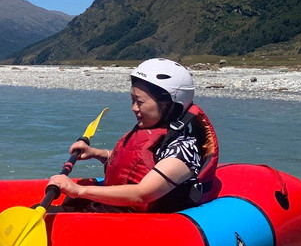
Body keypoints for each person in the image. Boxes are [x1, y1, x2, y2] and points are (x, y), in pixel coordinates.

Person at [47, 58, 217, 213]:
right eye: (132, 100)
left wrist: (79, 190)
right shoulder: (156, 133)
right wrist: (97, 153)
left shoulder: (183, 150)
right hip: (116, 210)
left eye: (140, 102)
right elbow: (136, 164)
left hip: (139, 221)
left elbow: (142, 194)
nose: (134, 108)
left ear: (170, 104)